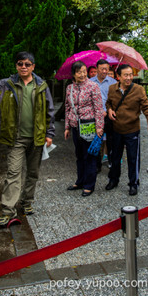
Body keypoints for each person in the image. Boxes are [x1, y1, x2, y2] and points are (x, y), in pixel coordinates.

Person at [0, 52, 55, 226]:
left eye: (27, 64)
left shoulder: (41, 86)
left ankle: (27, 202)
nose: (24, 67)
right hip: (16, 138)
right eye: (20, 63)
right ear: (16, 66)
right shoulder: (7, 84)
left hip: (37, 137)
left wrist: (49, 134)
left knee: (33, 173)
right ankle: (8, 210)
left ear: (33, 67)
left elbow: (49, 112)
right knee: (13, 173)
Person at [105, 64, 148, 195]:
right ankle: (113, 180)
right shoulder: (112, 89)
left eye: (131, 75)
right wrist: (109, 110)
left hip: (132, 130)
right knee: (115, 157)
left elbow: (146, 107)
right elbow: (108, 103)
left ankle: (133, 183)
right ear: (118, 77)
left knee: (133, 158)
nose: (129, 78)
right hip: (116, 129)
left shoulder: (138, 89)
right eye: (125, 75)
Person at [64, 61, 104, 197]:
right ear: (73, 74)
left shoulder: (93, 86)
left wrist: (99, 127)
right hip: (75, 126)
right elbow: (67, 108)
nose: (82, 74)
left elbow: (98, 108)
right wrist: (67, 127)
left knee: (90, 156)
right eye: (79, 72)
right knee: (79, 155)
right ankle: (80, 181)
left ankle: (89, 185)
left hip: (89, 125)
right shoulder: (69, 88)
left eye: (84, 71)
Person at [89, 59, 117, 171]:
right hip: (94, 116)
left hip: (108, 115)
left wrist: (108, 110)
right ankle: (96, 165)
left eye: (107, 69)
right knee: (96, 139)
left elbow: (116, 100)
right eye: (102, 69)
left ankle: (111, 162)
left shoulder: (113, 82)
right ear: (97, 69)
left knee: (110, 140)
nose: (105, 71)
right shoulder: (90, 82)